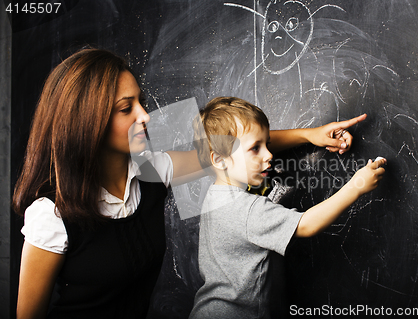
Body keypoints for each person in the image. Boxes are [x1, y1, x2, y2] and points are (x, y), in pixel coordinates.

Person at [12, 49, 365, 319]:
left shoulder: (150, 173)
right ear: (87, 121)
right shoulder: (51, 215)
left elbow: (228, 147)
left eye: (142, 102)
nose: (145, 116)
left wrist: (311, 135)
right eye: (126, 108)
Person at [189, 97, 386, 319]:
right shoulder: (245, 209)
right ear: (220, 160)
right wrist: (356, 186)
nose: (269, 154)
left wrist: (312, 135)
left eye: (267, 143)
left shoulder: (216, 196)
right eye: (256, 148)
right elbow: (306, 225)